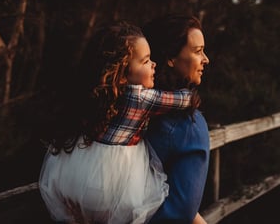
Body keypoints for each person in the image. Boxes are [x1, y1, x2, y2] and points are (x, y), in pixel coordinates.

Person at [38, 21, 195, 224]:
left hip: (75, 174)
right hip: (114, 185)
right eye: (146, 61)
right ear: (122, 74)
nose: (153, 64)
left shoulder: (95, 96)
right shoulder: (140, 98)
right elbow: (185, 99)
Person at [143, 15, 210, 224]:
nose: (206, 59)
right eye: (198, 51)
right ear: (171, 58)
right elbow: (181, 213)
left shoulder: (126, 106)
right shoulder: (189, 123)